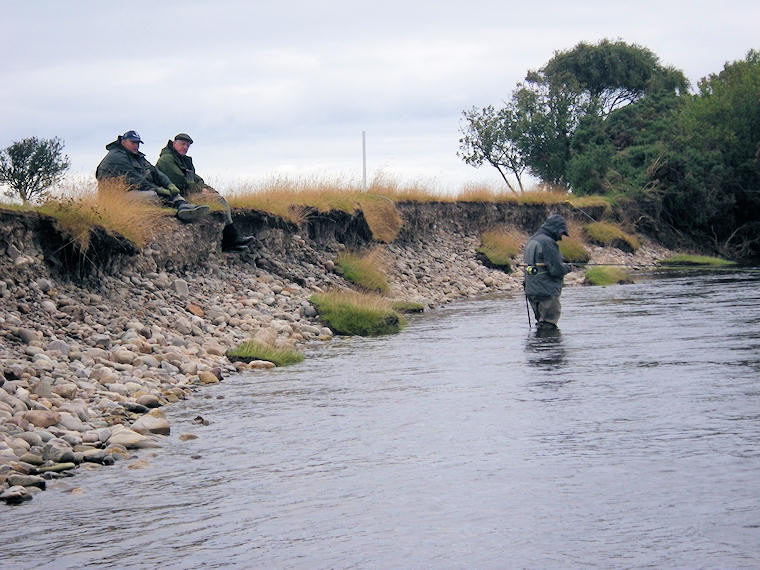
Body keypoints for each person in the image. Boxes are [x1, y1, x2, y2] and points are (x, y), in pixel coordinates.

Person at [155, 133, 253, 252]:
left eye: (187, 145)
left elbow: (197, 179)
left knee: (218, 198)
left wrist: (210, 190)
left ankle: (231, 241)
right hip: (178, 195)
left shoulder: (184, 161)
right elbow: (181, 181)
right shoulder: (166, 160)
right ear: (174, 143)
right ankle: (231, 240)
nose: (185, 147)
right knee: (219, 201)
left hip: (187, 192)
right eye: (182, 144)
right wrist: (200, 190)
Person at [96, 130, 209, 222]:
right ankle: (181, 211)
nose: (136, 145)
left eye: (138, 143)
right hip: (117, 198)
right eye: (133, 142)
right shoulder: (116, 157)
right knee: (153, 195)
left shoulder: (137, 156)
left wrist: (169, 185)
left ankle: (184, 207)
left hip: (134, 192)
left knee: (167, 191)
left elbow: (155, 172)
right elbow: (135, 180)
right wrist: (158, 189)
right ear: (124, 142)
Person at [523, 213, 573, 331]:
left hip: (532, 290)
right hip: (547, 291)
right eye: (562, 233)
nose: (561, 237)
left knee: (541, 325)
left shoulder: (532, 240)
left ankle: (539, 349)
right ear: (556, 229)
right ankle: (549, 349)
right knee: (548, 326)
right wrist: (568, 268)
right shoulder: (548, 243)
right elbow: (556, 270)